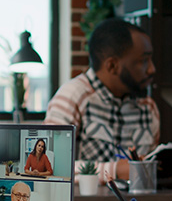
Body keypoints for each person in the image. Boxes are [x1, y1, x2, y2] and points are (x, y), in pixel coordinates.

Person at [44, 17, 158, 182]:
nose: (152, 69)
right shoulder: (73, 97)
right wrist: (115, 171)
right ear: (112, 66)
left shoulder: (148, 107)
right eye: (143, 61)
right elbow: (48, 168)